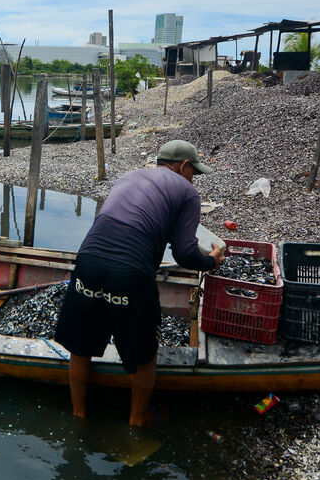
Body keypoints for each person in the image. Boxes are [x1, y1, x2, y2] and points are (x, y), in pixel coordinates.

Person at [54, 139, 225, 426]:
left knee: (81, 348)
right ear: (183, 166)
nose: (194, 177)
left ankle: (78, 416)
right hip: (130, 272)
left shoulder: (129, 176)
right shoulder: (187, 192)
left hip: (88, 260)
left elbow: (118, 221)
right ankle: (138, 419)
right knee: (144, 355)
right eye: (194, 171)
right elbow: (184, 252)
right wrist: (211, 261)